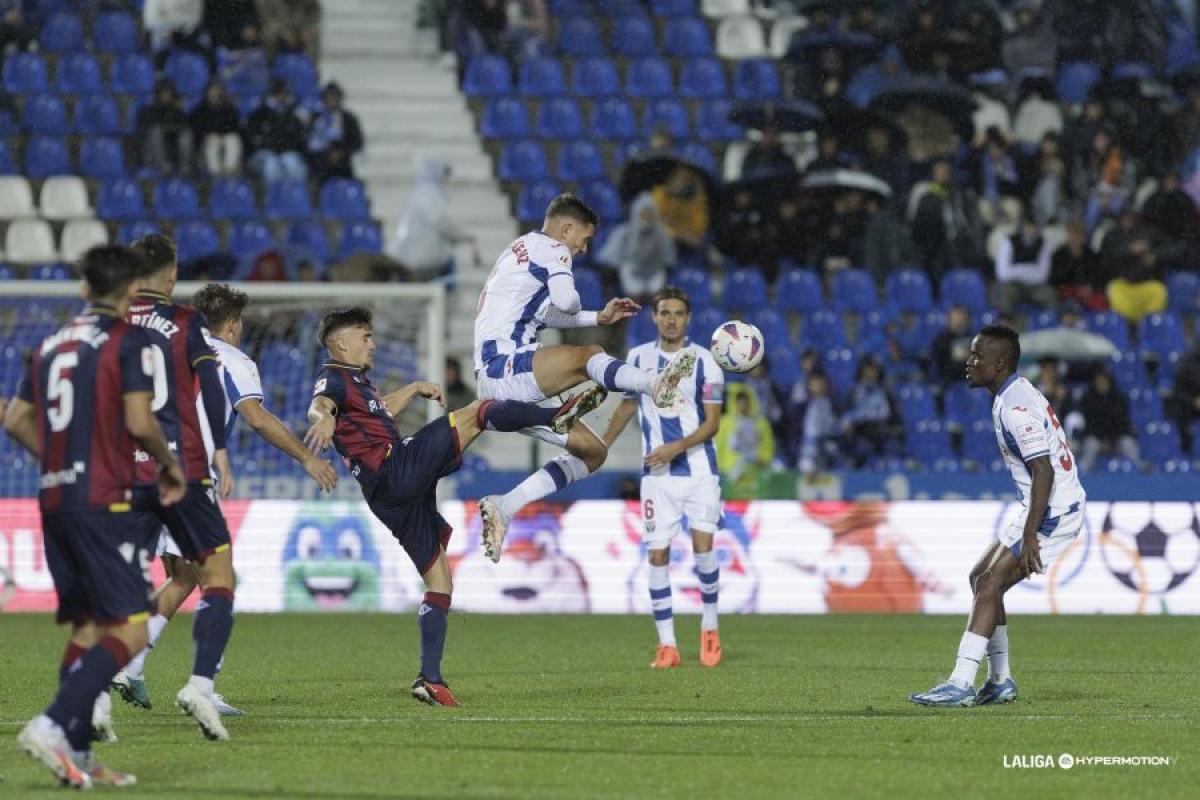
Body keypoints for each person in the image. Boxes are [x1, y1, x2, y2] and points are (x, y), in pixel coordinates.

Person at [304, 307, 601, 705]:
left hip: (387, 496)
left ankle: (429, 679)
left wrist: (412, 389)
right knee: (478, 411)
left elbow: (378, 411)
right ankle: (556, 415)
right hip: (395, 468)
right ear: (341, 342)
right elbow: (322, 404)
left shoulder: (359, 384)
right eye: (365, 336)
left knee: (440, 583)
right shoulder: (334, 377)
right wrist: (321, 418)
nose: (372, 343)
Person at [111, 283, 338, 715]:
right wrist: (307, 458)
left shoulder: (168, 348)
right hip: (191, 477)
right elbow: (255, 417)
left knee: (182, 576)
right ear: (233, 326)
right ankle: (201, 684)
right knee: (219, 577)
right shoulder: (233, 359)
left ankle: (130, 665)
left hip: (144, 470)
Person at [6, 245, 186, 789]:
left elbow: (15, 418)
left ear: (84, 289)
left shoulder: (47, 344)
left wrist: (59, 463)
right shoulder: (129, 340)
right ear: (132, 290)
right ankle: (54, 723)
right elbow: (139, 418)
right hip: (104, 498)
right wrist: (169, 462)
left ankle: (78, 758)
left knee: (88, 629)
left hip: (55, 499)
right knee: (131, 628)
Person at [473, 195, 696, 561]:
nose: (582, 249)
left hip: (507, 376)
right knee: (589, 355)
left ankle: (505, 506)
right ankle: (654, 384)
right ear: (566, 229)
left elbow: (544, 314)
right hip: (505, 365)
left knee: (594, 452)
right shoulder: (552, 248)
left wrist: (599, 317)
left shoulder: (523, 249)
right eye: (584, 239)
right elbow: (566, 302)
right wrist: (571, 287)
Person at [910, 325, 1086, 707]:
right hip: (1042, 504)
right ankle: (1001, 680)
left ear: (1000, 362)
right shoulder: (1011, 394)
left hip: (1053, 510)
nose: (968, 362)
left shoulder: (1016, 407)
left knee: (990, 584)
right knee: (981, 578)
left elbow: (1044, 470)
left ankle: (960, 682)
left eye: (977, 356)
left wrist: (1032, 534)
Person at [118, 234, 237, 740]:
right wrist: (221, 450)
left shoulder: (111, 323)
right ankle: (199, 684)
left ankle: (100, 694)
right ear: (170, 275)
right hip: (180, 468)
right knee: (217, 576)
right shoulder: (186, 324)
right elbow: (211, 386)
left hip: (123, 469)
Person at [601, 287, 725, 670]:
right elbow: (625, 405)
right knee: (657, 555)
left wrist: (675, 448)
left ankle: (709, 626)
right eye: (664, 312)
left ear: (688, 319)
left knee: (703, 550)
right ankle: (667, 645)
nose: (671, 319)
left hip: (699, 471)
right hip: (656, 476)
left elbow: (713, 424)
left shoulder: (707, 362)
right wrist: (602, 444)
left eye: (678, 313)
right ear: (654, 318)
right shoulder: (637, 358)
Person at [388, 158, 473, 281]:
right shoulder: (430, 195)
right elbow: (441, 223)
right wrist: (465, 237)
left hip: (411, 254)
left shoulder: (417, 193)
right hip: (420, 257)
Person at [596, 192, 676, 302]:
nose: (647, 217)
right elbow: (607, 258)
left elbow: (669, 259)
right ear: (636, 213)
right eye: (644, 213)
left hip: (654, 271)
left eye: (650, 213)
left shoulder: (662, 234)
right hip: (630, 270)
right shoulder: (623, 232)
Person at [1078, 369, 1143, 471]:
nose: (1101, 385)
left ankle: (1140, 468)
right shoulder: (1088, 400)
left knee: (1128, 443)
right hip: (1097, 438)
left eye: (1104, 382)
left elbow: (1122, 423)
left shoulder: (1119, 399)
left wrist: (1111, 440)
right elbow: (1090, 424)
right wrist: (1102, 439)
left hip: (1116, 439)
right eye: (1099, 382)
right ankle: (1082, 473)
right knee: (1091, 444)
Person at [245, 79, 308, 183]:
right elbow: (252, 138)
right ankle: (274, 196)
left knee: (292, 163)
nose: (280, 96)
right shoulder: (259, 114)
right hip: (263, 154)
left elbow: (298, 139)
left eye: (283, 93)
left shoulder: (293, 115)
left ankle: (294, 196)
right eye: (276, 93)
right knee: (272, 163)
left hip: (286, 154)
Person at [717, 383, 777, 491]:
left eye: (745, 401)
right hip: (730, 472)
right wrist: (719, 469)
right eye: (739, 402)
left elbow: (768, 446)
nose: (743, 405)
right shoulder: (725, 422)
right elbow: (719, 446)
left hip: (755, 471)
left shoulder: (761, 422)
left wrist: (764, 460)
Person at [992, 217, 1057, 313]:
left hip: (1034, 287)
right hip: (1013, 285)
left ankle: (1048, 323)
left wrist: (1016, 269)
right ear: (1022, 227)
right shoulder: (1009, 242)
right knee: (1004, 292)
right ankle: (1007, 321)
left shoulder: (1042, 244)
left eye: (1033, 226)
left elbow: (1043, 275)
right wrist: (1030, 269)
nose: (1030, 230)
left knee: (1050, 294)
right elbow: (1002, 273)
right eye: (1027, 226)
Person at [307, 82, 364, 182]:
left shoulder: (348, 119)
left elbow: (357, 142)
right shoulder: (316, 118)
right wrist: (325, 155)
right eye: (329, 98)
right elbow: (308, 142)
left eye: (334, 97)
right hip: (320, 163)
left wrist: (342, 153)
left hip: (343, 163)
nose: (332, 101)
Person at [137, 81, 194, 175]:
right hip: (152, 155)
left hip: (173, 152)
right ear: (157, 94)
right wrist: (165, 128)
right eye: (163, 92)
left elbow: (184, 126)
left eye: (168, 92)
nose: (165, 95)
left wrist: (173, 122)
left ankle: (185, 167)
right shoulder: (148, 110)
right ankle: (163, 166)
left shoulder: (177, 111)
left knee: (186, 133)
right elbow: (144, 133)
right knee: (156, 132)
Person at [191, 81, 242, 176]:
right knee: (212, 139)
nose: (214, 93)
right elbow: (198, 131)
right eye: (212, 90)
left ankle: (229, 171)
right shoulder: (200, 110)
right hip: (206, 142)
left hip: (225, 138)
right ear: (206, 92)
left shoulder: (228, 108)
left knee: (232, 139)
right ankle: (215, 174)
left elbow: (234, 126)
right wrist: (214, 135)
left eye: (216, 90)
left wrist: (222, 135)